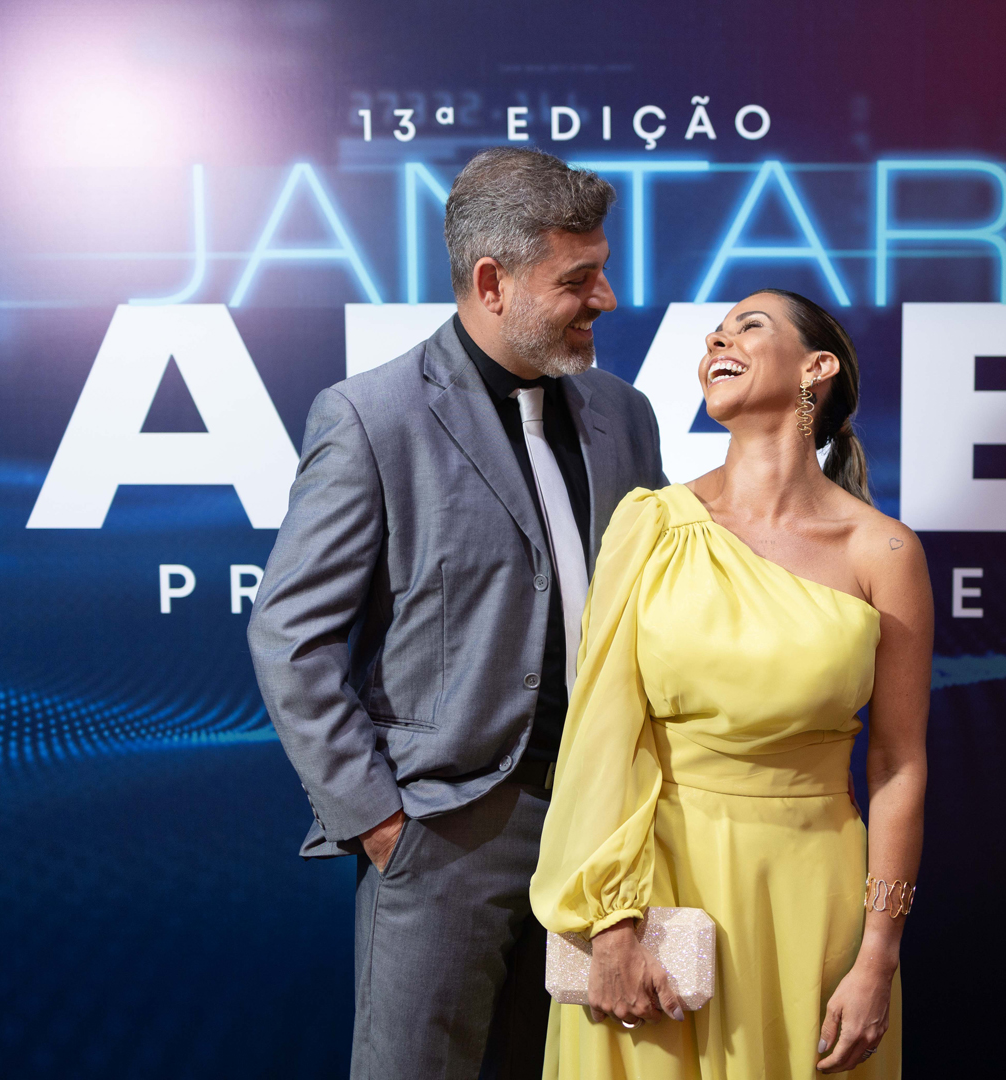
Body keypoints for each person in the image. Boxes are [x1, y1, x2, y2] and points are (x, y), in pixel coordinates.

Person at [248, 147, 667, 1080]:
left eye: (601, 270)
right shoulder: (373, 417)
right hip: (445, 834)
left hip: (605, 834)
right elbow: (289, 636)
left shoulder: (625, 414)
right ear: (491, 283)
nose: (605, 298)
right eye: (577, 279)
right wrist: (380, 823)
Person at [530, 289, 932, 1079]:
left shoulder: (883, 551)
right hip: (652, 896)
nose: (719, 338)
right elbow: (601, 734)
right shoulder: (650, 524)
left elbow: (898, 763)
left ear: (817, 367)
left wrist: (879, 953)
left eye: (749, 325)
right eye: (714, 331)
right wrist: (608, 924)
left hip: (809, 893)